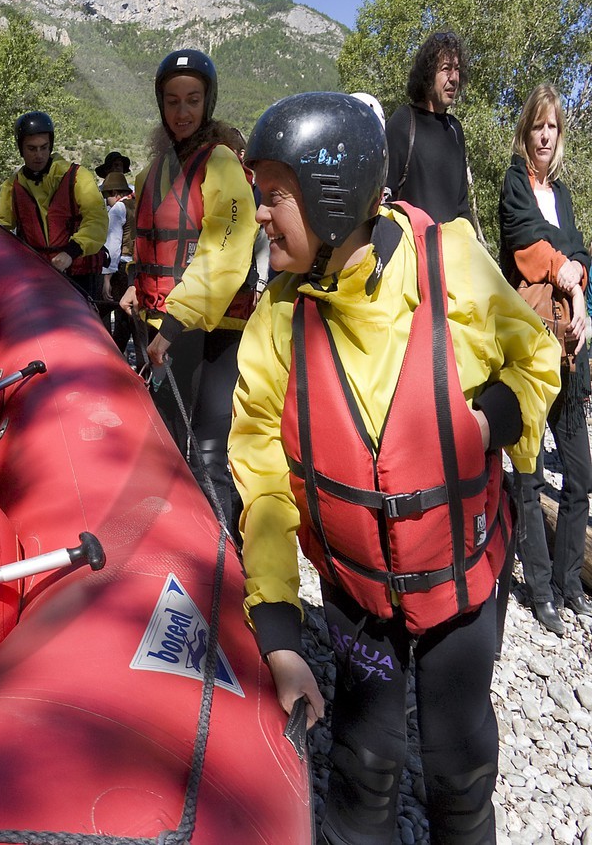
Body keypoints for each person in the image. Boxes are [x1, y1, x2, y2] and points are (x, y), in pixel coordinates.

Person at [231, 92, 558, 845]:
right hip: (357, 593)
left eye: (274, 196)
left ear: (331, 194)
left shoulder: (452, 265)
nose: (260, 217)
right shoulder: (280, 321)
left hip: (461, 580)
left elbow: (536, 357)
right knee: (363, 762)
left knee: (460, 765)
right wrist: (279, 633)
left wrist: (494, 421)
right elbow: (263, 479)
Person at [117, 49, 257, 536]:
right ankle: (180, 548)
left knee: (209, 451)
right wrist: (136, 285)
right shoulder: (151, 172)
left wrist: (174, 324)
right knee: (169, 444)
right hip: (164, 328)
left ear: (207, 102)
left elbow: (225, 250)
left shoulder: (219, 163)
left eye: (192, 100)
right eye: (173, 101)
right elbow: (147, 240)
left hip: (212, 330)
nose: (182, 112)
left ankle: (228, 563)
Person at [497, 83, 591, 636]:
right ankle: (539, 591)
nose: (545, 136)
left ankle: (570, 582)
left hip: (572, 349)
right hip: (535, 343)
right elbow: (526, 248)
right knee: (529, 470)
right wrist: (573, 282)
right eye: (538, 127)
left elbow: (580, 251)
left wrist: (581, 296)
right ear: (526, 131)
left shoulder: (565, 195)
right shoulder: (515, 184)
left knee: (578, 475)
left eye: (553, 127)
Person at [0, 110, 108, 297]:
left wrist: (71, 252)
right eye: (32, 149)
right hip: (36, 275)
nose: (39, 155)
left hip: (80, 274)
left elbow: (97, 220)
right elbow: (1, 230)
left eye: (44, 147)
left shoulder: (78, 177)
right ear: (21, 149)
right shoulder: (12, 186)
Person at [385, 30, 478, 226]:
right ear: (427, 75)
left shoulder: (455, 130)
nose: (454, 78)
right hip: (411, 251)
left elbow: (462, 207)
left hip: (449, 252)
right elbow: (384, 197)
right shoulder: (403, 122)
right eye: (446, 69)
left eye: (457, 69)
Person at [98, 169, 134, 353]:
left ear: (115, 193)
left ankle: (115, 360)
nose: (107, 201)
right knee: (136, 322)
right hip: (138, 269)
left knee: (121, 319)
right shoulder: (138, 204)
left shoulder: (119, 208)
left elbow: (113, 244)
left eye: (107, 196)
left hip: (122, 270)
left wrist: (106, 278)